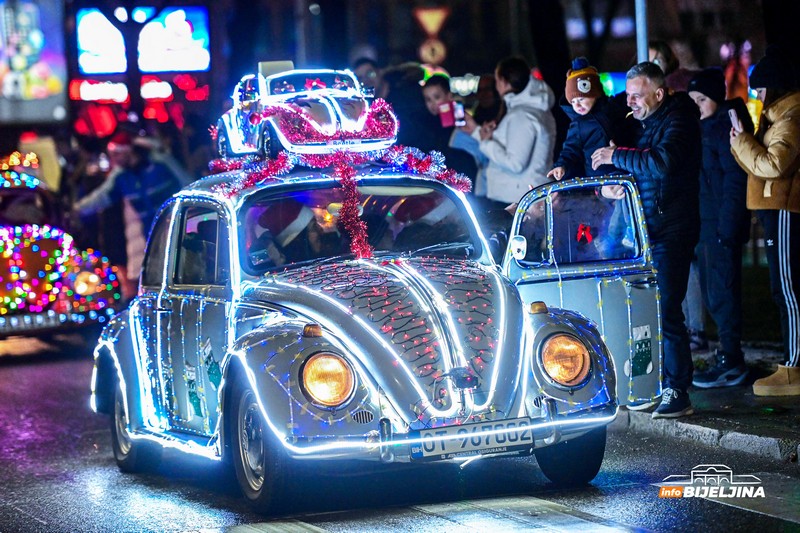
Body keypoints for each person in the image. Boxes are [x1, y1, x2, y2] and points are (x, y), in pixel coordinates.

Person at [591, 62, 702, 418]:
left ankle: (677, 389)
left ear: (659, 93)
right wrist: (613, 183)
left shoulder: (680, 117)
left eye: (638, 95)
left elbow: (663, 161)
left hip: (673, 228)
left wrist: (616, 156)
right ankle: (648, 384)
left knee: (666, 308)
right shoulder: (635, 123)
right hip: (642, 232)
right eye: (628, 95)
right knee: (641, 310)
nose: (632, 101)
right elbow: (633, 167)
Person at [730, 44, 800, 396]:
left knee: (787, 288)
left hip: (786, 210)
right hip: (776, 210)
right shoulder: (777, 118)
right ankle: (791, 362)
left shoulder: (792, 117)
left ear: (774, 86)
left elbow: (774, 166)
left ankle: (794, 366)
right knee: (782, 288)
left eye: (759, 88)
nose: (756, 95)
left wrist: (743, 141)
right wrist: (743, 141)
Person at [687, 67, 754, 388]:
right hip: (705, 225)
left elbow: (734, 182)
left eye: (702, 99)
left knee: (722, 292)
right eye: (692, 99)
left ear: (717, 98)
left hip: (719, 227)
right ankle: (728, 356)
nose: (697, 104)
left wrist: (727, 228)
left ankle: (731, 359)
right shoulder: (703, 128)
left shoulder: (723, 129)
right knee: (714, 294)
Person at [74, 131, 184, 299]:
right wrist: (78, 209)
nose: (114, 160)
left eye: (117, 154)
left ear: (128, 151)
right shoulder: (122, 177)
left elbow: (185, 180)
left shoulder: (159, 164)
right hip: (151, 235)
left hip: (178, 228)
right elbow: (102, 196)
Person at [459, 56, 557, 231]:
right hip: (525, 194)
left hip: (518, 199)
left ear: (503, 82)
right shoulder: (532, 110)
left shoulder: (522, 115)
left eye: (497, 80)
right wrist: (477, 131)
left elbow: (515, 162)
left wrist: (485, 140)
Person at [547, 57, 636, 181]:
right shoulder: (578, 124)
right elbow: (570, 150)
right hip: (598, 179)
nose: (577, 106)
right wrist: (561, 166)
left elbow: (629, 97)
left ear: (595, 94)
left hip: (625, 169)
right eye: (573, 102)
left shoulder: (611, 107)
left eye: (581, 99)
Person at [418, 74, 478, 182]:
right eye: (428, 99)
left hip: (466, 176)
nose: (433, 104)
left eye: (437, 97)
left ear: (449, 96)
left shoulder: (462, 120)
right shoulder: (425, 124)